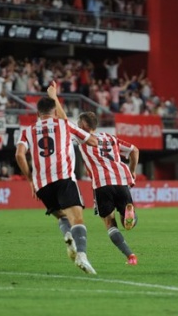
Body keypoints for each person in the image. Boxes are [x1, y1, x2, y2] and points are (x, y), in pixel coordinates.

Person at [15, 81, 99, 275]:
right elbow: (92, 141)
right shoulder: (64, 124)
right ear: (54, 112)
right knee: (77, 219)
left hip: (42, 185)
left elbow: (19, 155)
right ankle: (82, 256)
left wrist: (30, 180)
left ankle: (68, 235)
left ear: (37, 114)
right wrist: (55, 96)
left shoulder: (27, 131)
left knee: (61, 216)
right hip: (64, 179)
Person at [76, 111, 140, 265]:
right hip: (121, 179)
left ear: (84, 125)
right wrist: (132, 170)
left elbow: (64, 119)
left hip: (102, 183)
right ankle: (128, 216)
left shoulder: (83, 137)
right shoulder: (110, 138)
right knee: (126, 216)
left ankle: (130, 256)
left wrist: (54, 98)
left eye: (79, 122)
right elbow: (134, 150)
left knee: (109, 223)